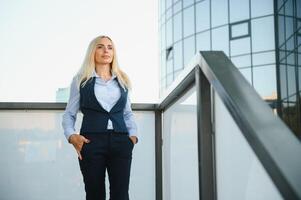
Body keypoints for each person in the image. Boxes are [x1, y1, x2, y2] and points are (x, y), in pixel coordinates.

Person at [62, 35, 138, 200]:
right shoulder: (81, 80)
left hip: (121, 141)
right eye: (100, 46)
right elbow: (69, 113)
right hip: (91, 142)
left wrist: (132, 137)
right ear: (92, 51)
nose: (106, 50)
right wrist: (72, 136)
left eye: (110, 47)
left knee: (121, 195)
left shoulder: (122, 80)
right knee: (94, 194)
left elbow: (127, 113)